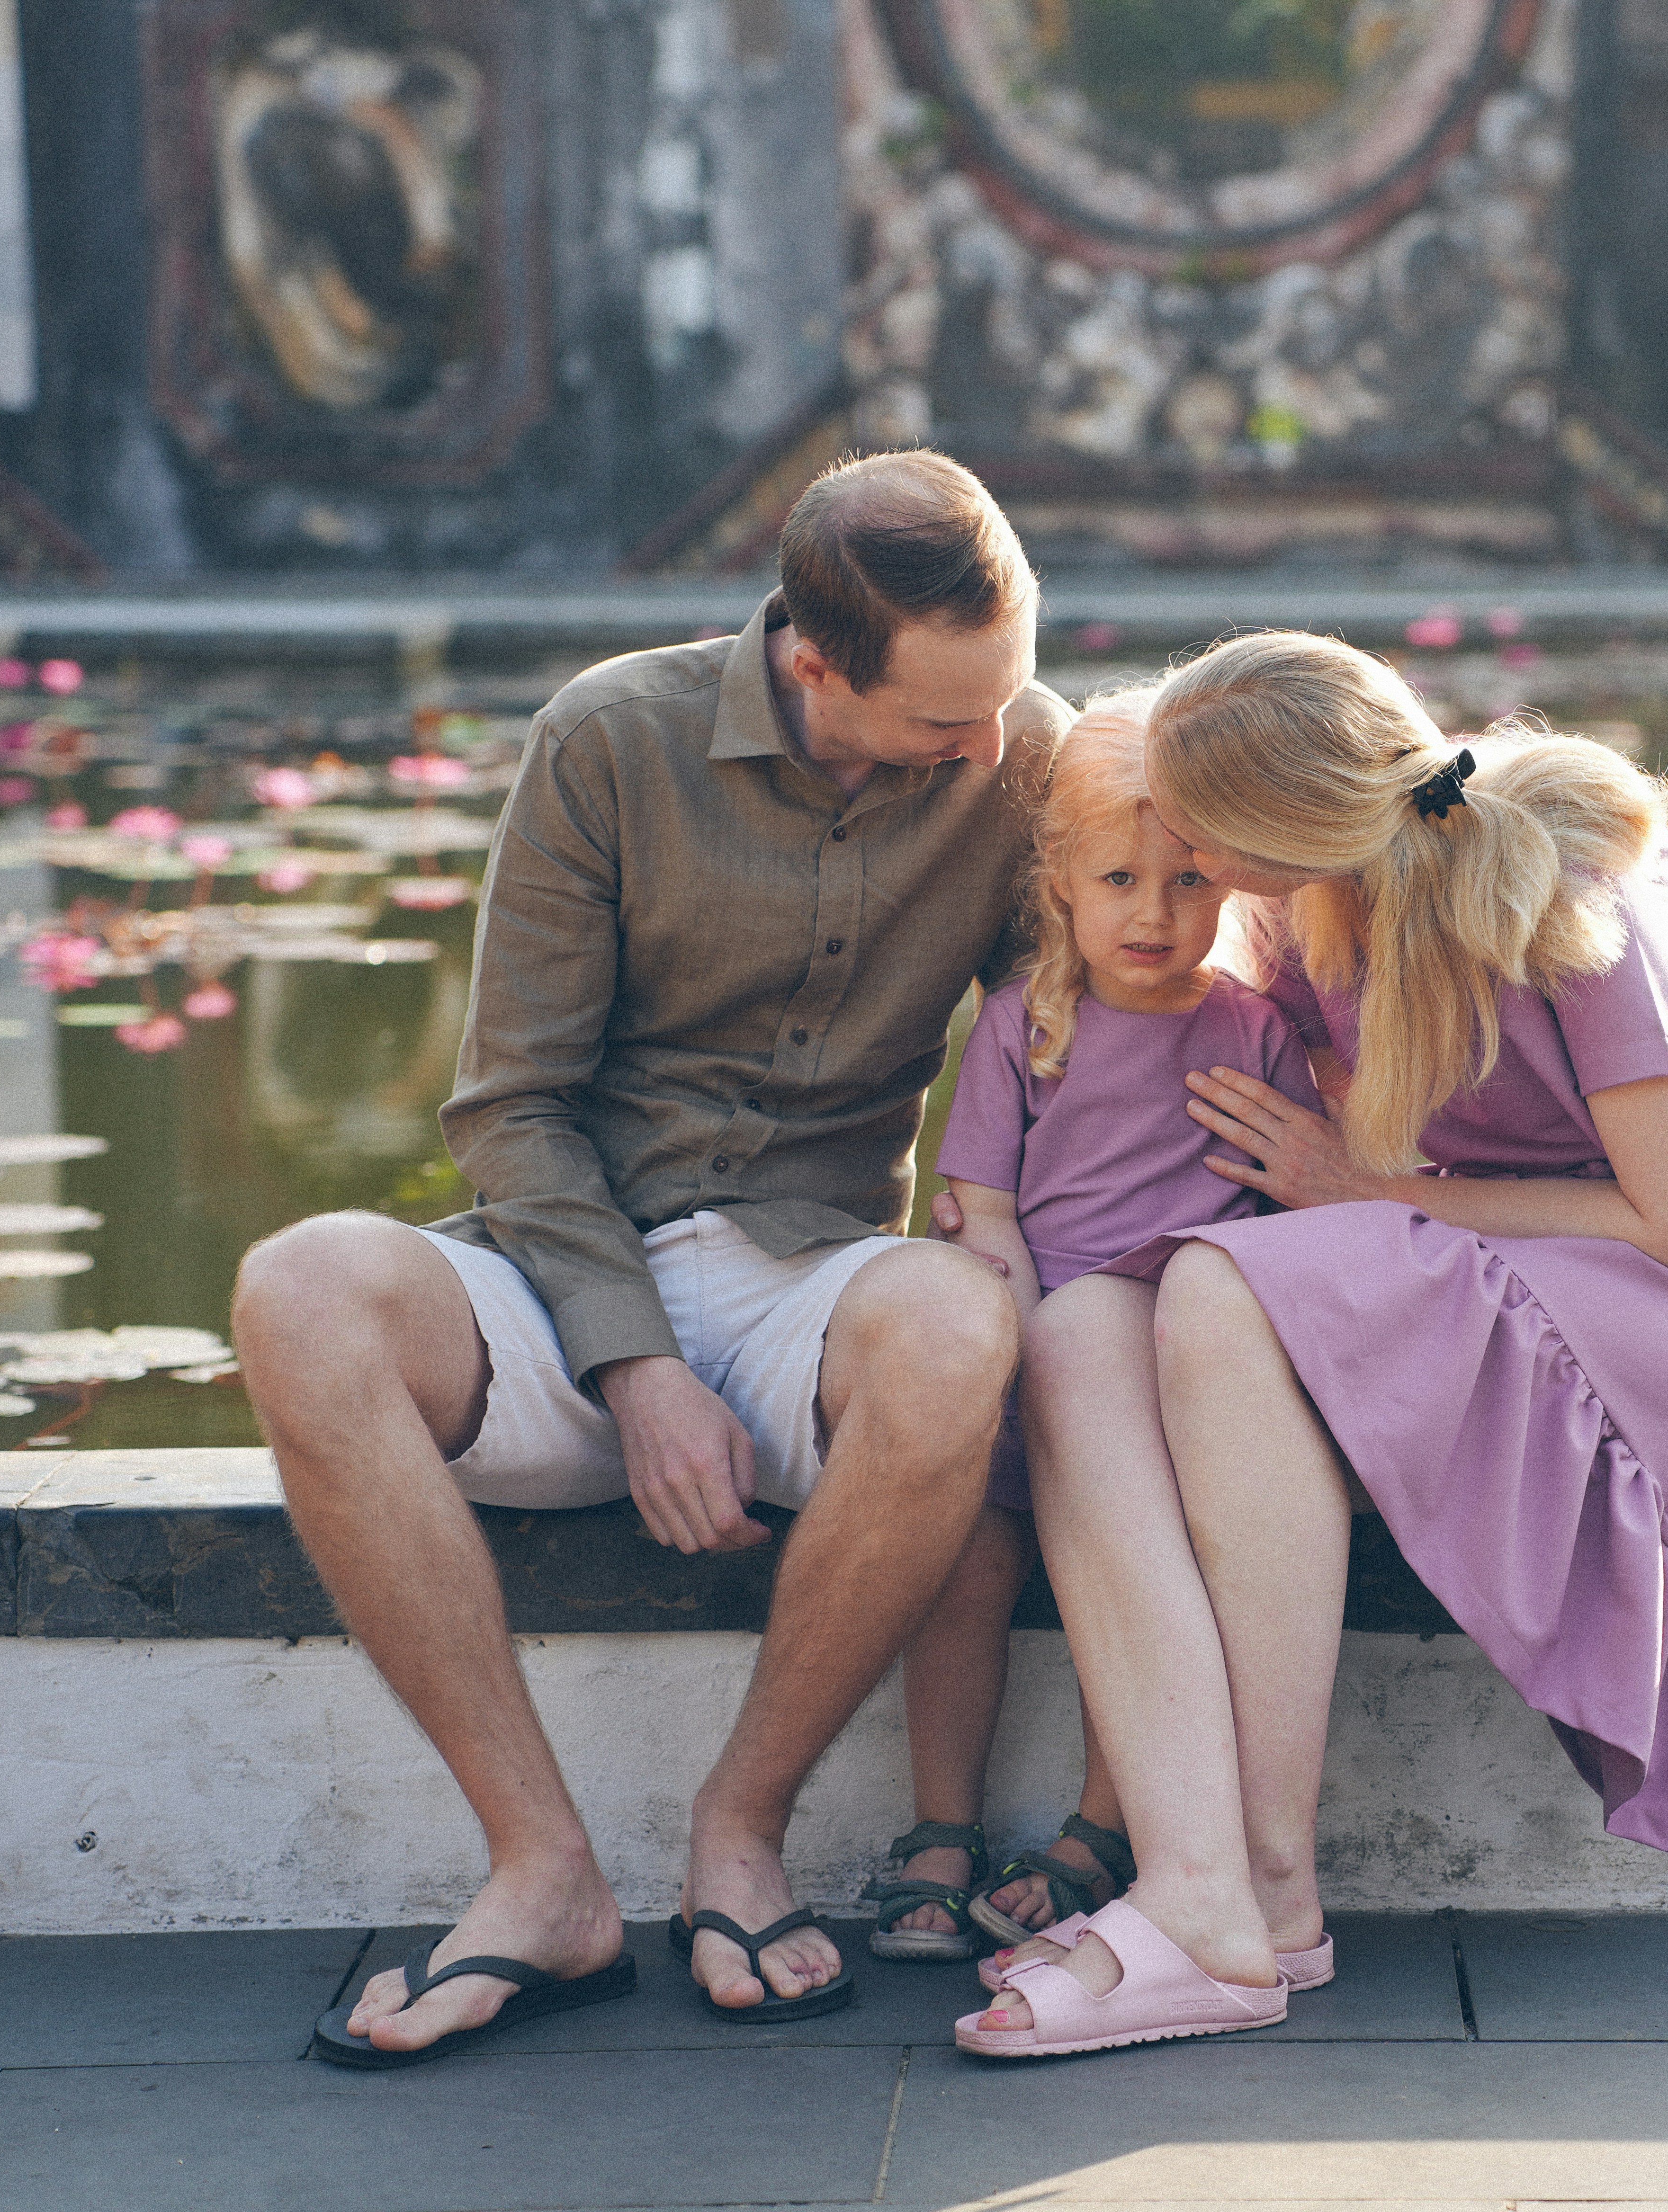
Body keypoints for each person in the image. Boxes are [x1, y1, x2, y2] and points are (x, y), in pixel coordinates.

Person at [234, 450, 1070, 2066]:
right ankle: (543, 1873)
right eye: (943, 721)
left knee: (957, 1329)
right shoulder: (609, 737)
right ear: (813, 662)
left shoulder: (1021, 753)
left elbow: (1079, 1048)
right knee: (300, 1287)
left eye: (1004, 701)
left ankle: (740, 1829)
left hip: (815, 1280)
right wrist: (636, 1366)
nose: (987, 748)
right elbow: (514, 1104)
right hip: (565, 1277)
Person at [951, 630, 1668, 2058]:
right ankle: (1210, 1888)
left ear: (1271, 834)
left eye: (1193, 834)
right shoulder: (1306, 912)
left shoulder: (1573, 884)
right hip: (1468, 1262)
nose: (1175, 856)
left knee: (1216, 1293)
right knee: (1082, 1336)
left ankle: (1252, 1893)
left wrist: (1366, 1191)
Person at [871, 689, 1321, 1964]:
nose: (1154, 916)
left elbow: (1282, 1218)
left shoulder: (1253, 1032)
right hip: (1026, 1349)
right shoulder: (1026, 1027)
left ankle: (1099, 1830)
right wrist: (1014, 1360)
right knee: (965, 1565)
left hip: (1164, 1381)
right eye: (1120, 879)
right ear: (1060, 881)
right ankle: (942, 1825)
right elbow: (985, 1210)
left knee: (1143, 1576)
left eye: (1190, 884)